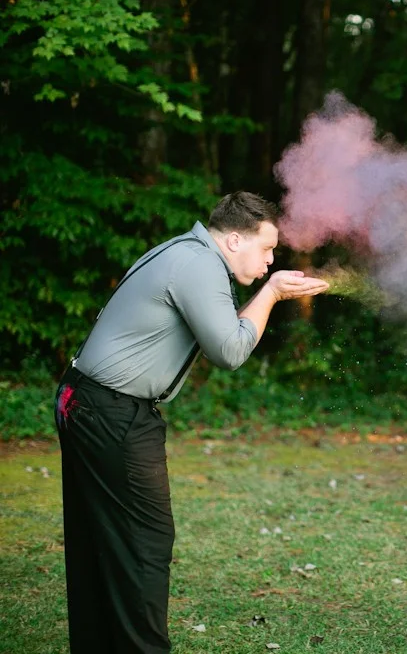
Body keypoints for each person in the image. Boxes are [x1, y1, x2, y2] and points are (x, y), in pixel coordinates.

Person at [53, 191, 328, 653]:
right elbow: (230, 351)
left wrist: (269, 292)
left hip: (85, 402)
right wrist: (273, 293)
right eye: (266, 249)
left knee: (100, 539)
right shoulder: (200, 266)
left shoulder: (184, 250)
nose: (269, 261)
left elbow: (224, 331)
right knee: (145, 544)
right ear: (235, 239)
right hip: (111, 413)